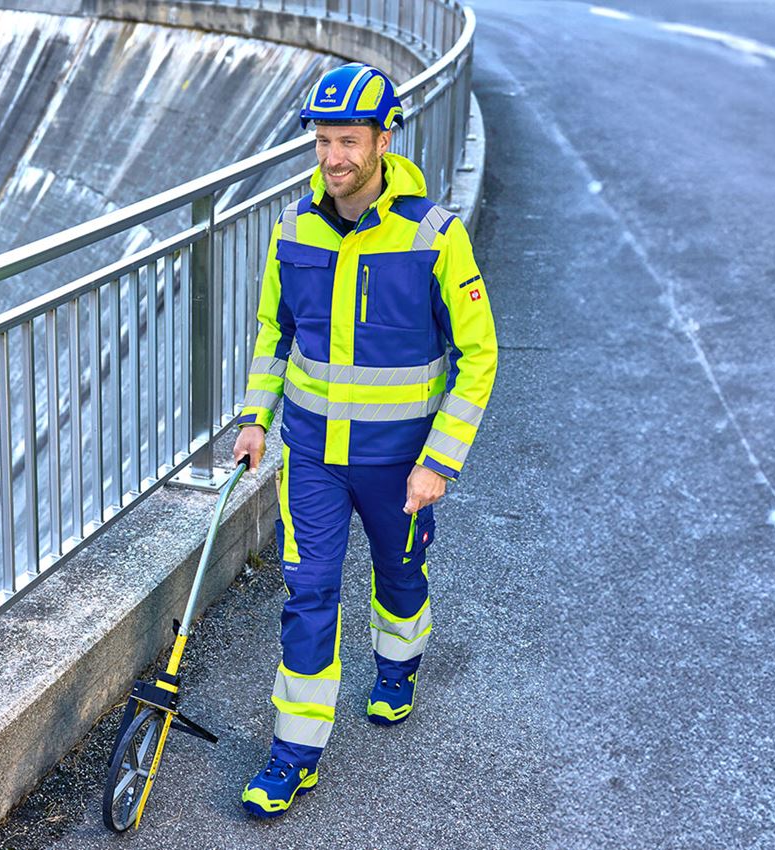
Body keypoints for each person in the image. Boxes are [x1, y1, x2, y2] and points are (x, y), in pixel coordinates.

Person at [233, 62, 497, 818]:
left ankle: (397, 668)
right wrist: (255, 418)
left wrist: (439, 462)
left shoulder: (435, 236)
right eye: (323, 141)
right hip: (313, 458)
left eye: (348, 140)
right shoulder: (293, 229)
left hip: (400, 463)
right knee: (309, 594)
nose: (333, 157)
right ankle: (293, 755)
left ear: (384, 140)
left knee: (399, 576)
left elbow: (479, 355)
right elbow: (274, 333)